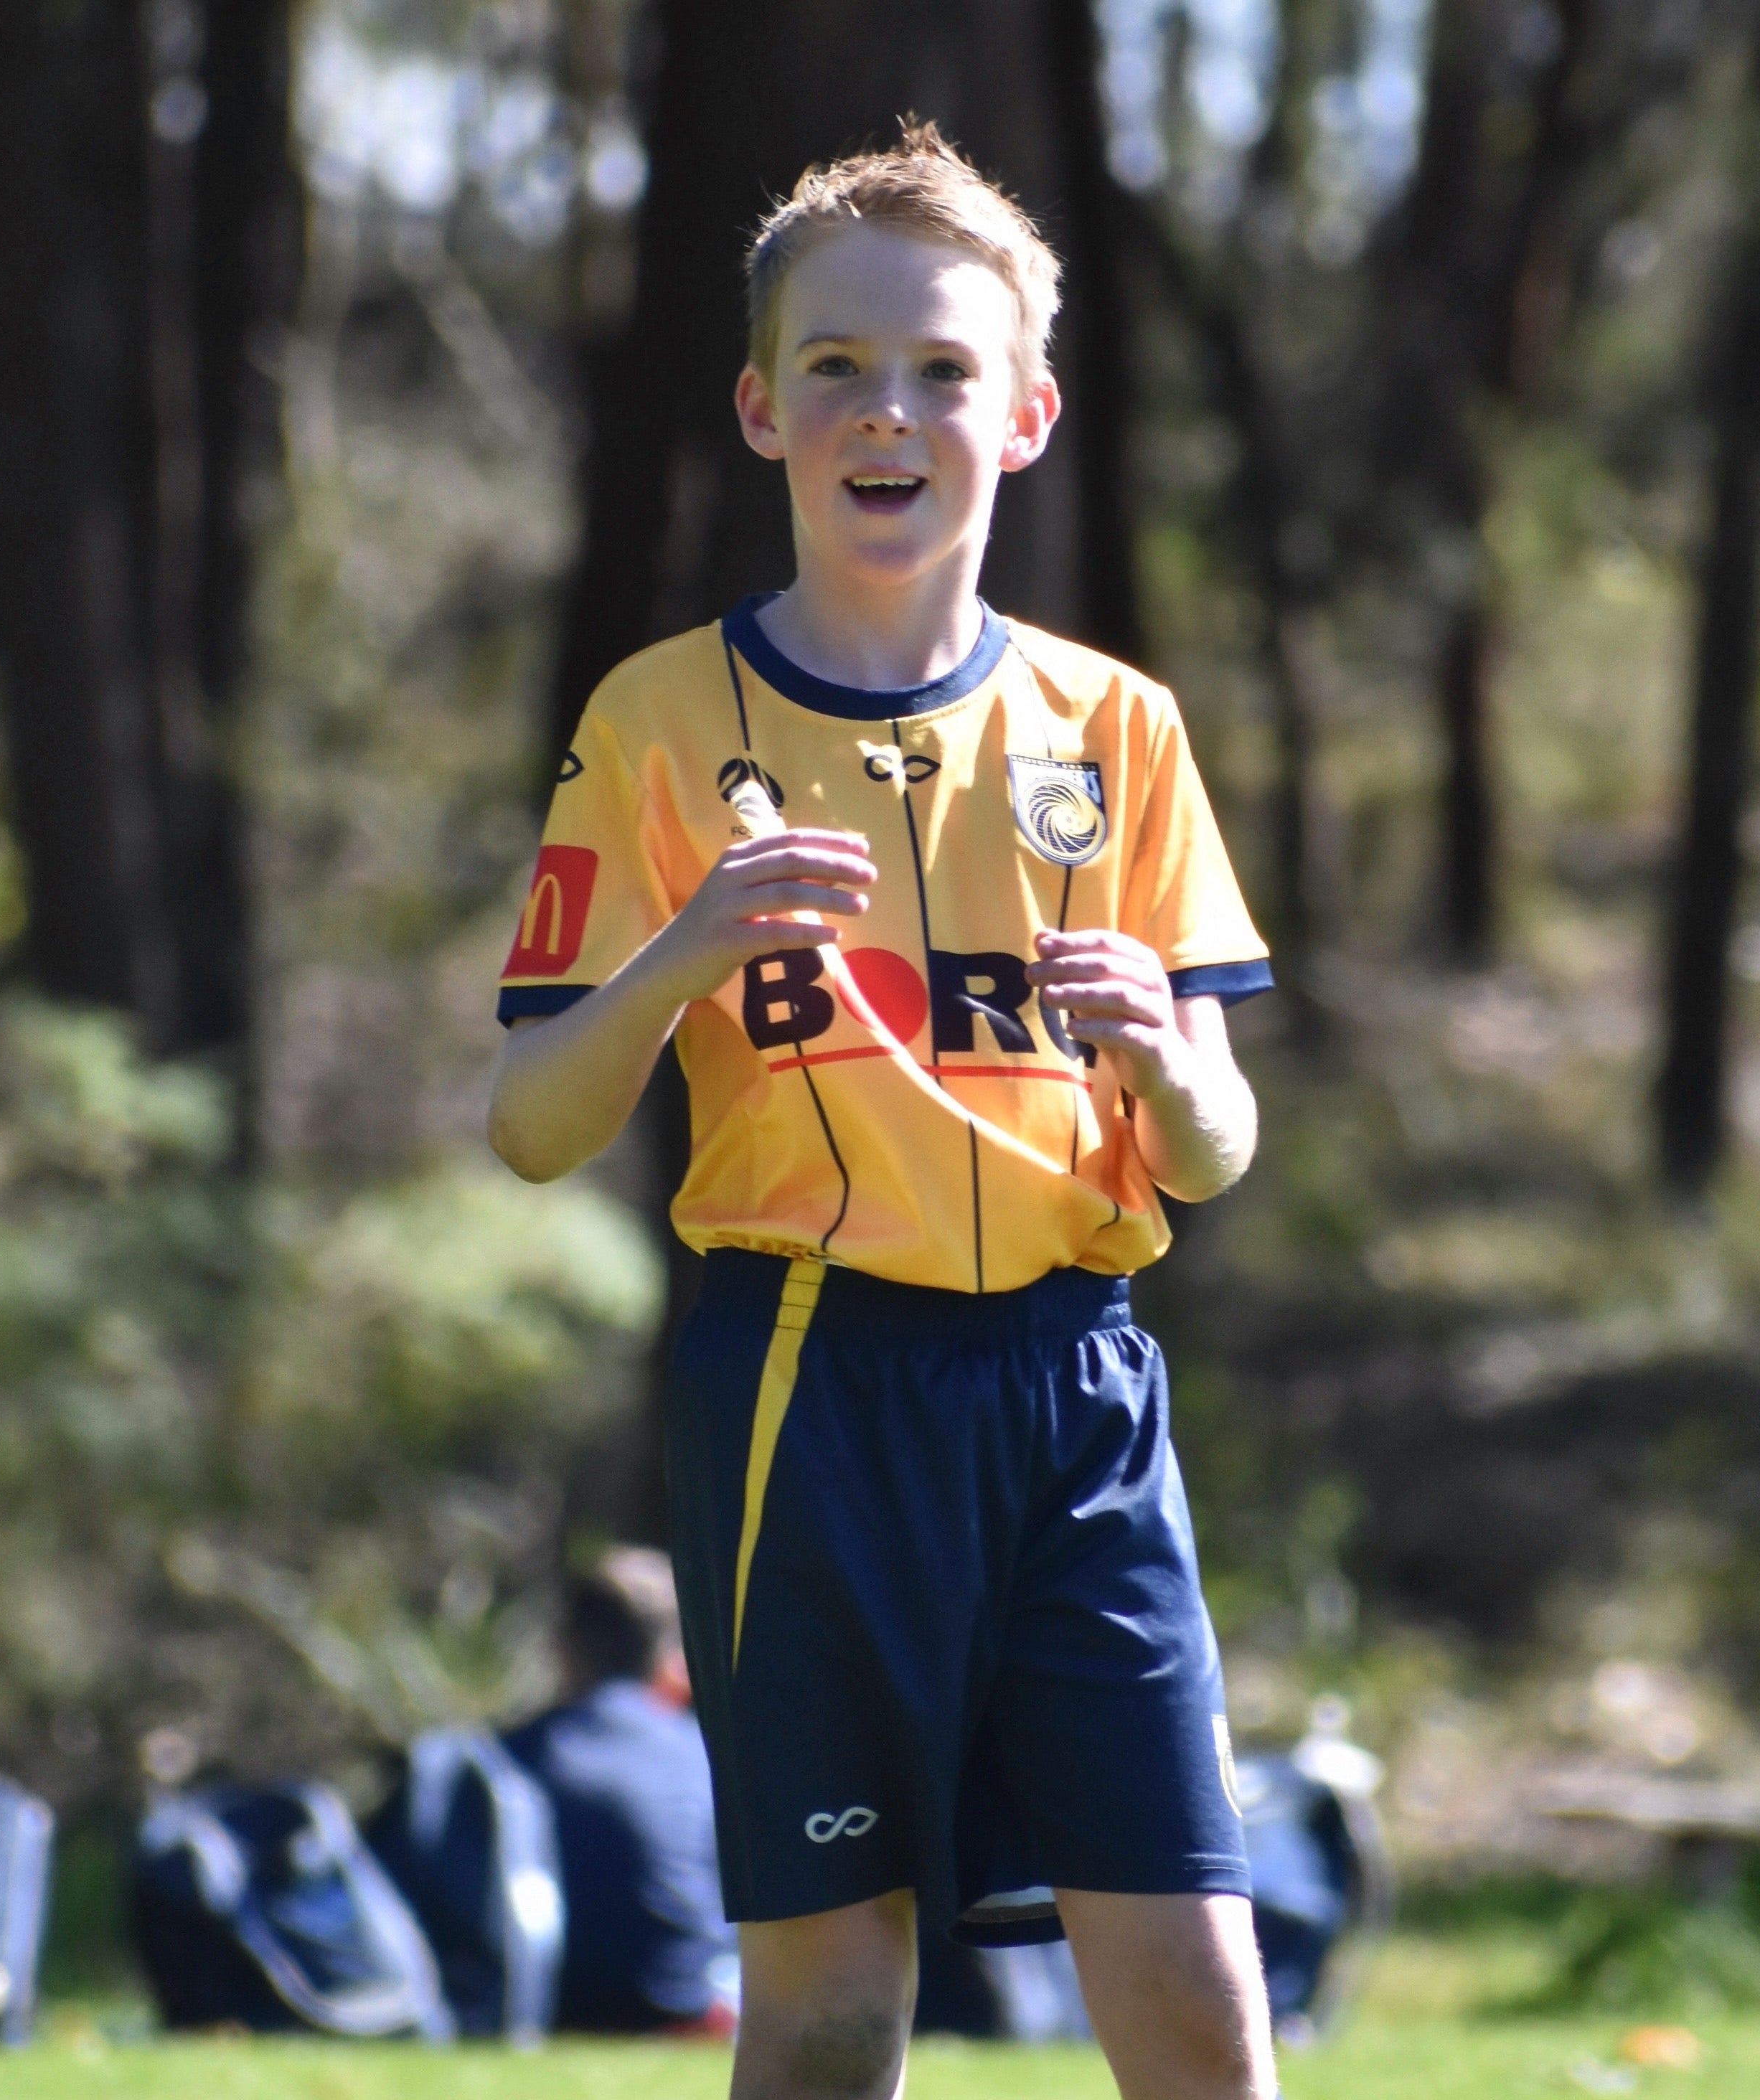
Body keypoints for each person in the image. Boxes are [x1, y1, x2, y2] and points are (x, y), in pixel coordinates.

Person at [488, 122, 1278, 2100]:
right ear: (762, 409)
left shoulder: (1118, 728)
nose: (886, 409)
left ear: (1024, 414)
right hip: (812, 1388)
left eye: (939, 368)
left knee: (1198, 1992)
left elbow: (1213, 1149)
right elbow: (527, 1120)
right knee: (835, 2011)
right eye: (835, 365)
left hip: (1080, 1387)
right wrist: (677, 958)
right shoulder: (659, 720)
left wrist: (1170, 1065)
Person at [504, 1548, 738, 2037]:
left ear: (562, 1649)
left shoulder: (511, 1760)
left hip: (554, 2012)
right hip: (699, 2013)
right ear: (672, 1655)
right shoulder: (709, 1756)